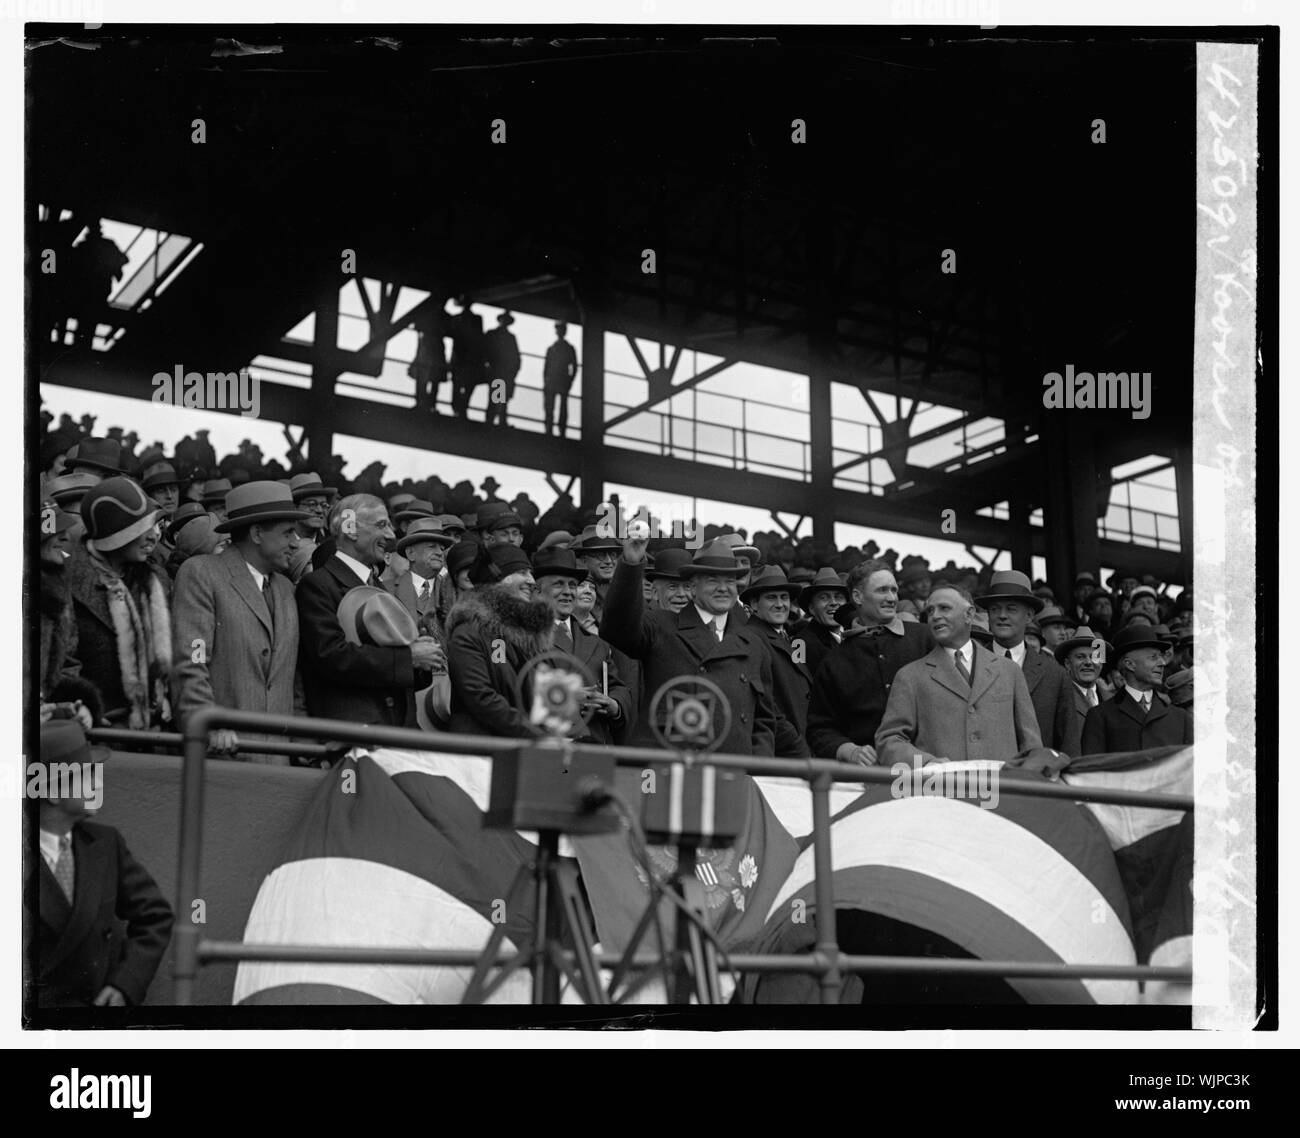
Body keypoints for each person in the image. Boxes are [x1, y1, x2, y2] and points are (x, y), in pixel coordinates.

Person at [33, 721, 173, 1007]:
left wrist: (126, 984)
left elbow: (156, 916)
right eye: (86, 775)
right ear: (52, 792)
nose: (99, 783)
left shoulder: (106, 845)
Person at [601, 535, 779, 756]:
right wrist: (630, 566)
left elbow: (763, 722)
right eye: (713, 580)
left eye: (730, 581)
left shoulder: (754, 644)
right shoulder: (661, 625)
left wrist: (758, 771)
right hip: (671, 769)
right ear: (693, 587)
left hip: (733, 775)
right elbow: (616, 629)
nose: (724, 588)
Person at [171, 482, 309, 764]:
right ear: (257, 533)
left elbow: (293, 681)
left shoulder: (286, 589)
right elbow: (191, 661)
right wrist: (206, 722)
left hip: (280, 765)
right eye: (287, 532)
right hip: (221, 760)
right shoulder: (202, 574)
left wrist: (302, 745)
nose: (296, 542)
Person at [296, 494, 443, 727]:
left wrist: (423, 654)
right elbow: (332, 657)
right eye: (382, 525)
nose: (391, 535)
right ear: (351, 529)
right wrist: (409, 658)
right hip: (356, 734)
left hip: (393, 733)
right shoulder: (317, 585)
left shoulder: (376, 585)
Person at [876, 586, 1052, 769]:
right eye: (930, 611)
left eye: (944, 608)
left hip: (1004, 791)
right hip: (942, 792)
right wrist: (928, 763)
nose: (935, 616)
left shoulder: (1009, 671)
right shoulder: (910, 676)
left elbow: (1031, 745)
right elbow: (889, 741)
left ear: (969, 614)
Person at [66, 478, 173, 729]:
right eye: (140, 528)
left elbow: (184, 652)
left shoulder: (156, 580)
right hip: (100, 735)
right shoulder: (67, 584)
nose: (153, 536)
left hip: (156, 734)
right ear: (114, 534)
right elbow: (63, 666)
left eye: (155, 526)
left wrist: (167, 695)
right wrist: (84, 709)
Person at [806, 559, 933, 764]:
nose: (892, 598)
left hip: (933, 771)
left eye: (894, 590)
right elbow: (819, 729)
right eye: (882, 590)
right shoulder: (834, 661)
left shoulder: (926, 638)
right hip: (871, 780)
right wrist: (849, 751)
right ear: (857, 596)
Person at [445, 544, 554, 736]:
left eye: (530, 573)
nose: (532, 581)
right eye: (522, 572)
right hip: (482, 753)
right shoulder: (469, 633)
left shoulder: (529, 637)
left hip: (525, 749)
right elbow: (482, 697)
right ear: (498, 580)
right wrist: (534, 732)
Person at [532, 548, 632, 744]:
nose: (568, 592)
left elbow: (618, 687)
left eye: (572, 585)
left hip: (594, 744)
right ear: (537, 590)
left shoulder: (597, 642)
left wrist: (613, 704)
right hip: (547, 745)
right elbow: (512, 687)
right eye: (558, 584)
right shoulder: (523, 635)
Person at [977, 569, 1081, 757]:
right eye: (994, 609)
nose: (1001, 615)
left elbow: (1068, 741)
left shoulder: (1054, 673)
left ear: (1029, 615)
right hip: (984, 780)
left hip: (1035, 780)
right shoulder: (970, 664)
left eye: (1011, 608)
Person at [1081, 626, 1194, 753]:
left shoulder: (1180, 718)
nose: (1162, 662)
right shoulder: (1100, 716)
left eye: (1161, 657)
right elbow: (1092, 769)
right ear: (1129, 664)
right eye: (1153, 657)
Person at [38, 504, 100, 728]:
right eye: (52, 530)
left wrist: (75, 705)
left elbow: (67, 663)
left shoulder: (59, 590)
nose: (64, 536)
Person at [740, 566, 812, 757]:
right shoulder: (751, 637)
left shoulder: (791, 639)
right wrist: (799, 748)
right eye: (772, 597)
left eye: (784, 597)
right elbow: (766, 705)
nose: (780, 604)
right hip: (782, 753)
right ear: (754, 604)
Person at [1055, 625, 1111, 750]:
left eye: (1094, 657)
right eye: (1080, 657)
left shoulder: (1113, 700)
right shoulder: (1057, 699)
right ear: (1068, 664)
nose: (1088, 662)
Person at [790, 567, 849, 677]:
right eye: (824, 597)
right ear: (812, 608)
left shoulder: (854, 636)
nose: (833, 603)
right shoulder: (800, 643)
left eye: (839, 597)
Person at [573, 525, 623, 624]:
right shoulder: (576, 593)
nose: (609, 561)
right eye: (601, 555)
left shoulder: (623, 592)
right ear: (583, 559)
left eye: (613, 554)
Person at [449, 296, 487, 418]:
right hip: (498, 374)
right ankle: (496, 418)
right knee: (500, 397)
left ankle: (495, 418)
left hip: (496, 374)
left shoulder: (459, 319)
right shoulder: (477, 321)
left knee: (460, 384)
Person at [483, 312, 522, 427]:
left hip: (501, 371)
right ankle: (496, 420)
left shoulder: (497, 335)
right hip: (500, 371)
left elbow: (515, 357)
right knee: (499, 398)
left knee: (499, 398)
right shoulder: (506, 337)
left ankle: (493, 420)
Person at [542, 321, 578, 436]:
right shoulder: (565, 348)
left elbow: (546, 367)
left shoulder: (553, 348)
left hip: (556, 381)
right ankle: (558, 430)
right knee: (556, 406)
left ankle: (551, 428)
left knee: (553, 406)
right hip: (559, 381)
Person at [646, 547, 692, 613]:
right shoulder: (642, 622)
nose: (681, 594)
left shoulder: (705, 622)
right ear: (655, 593)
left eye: (687, 586)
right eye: (672, 586)